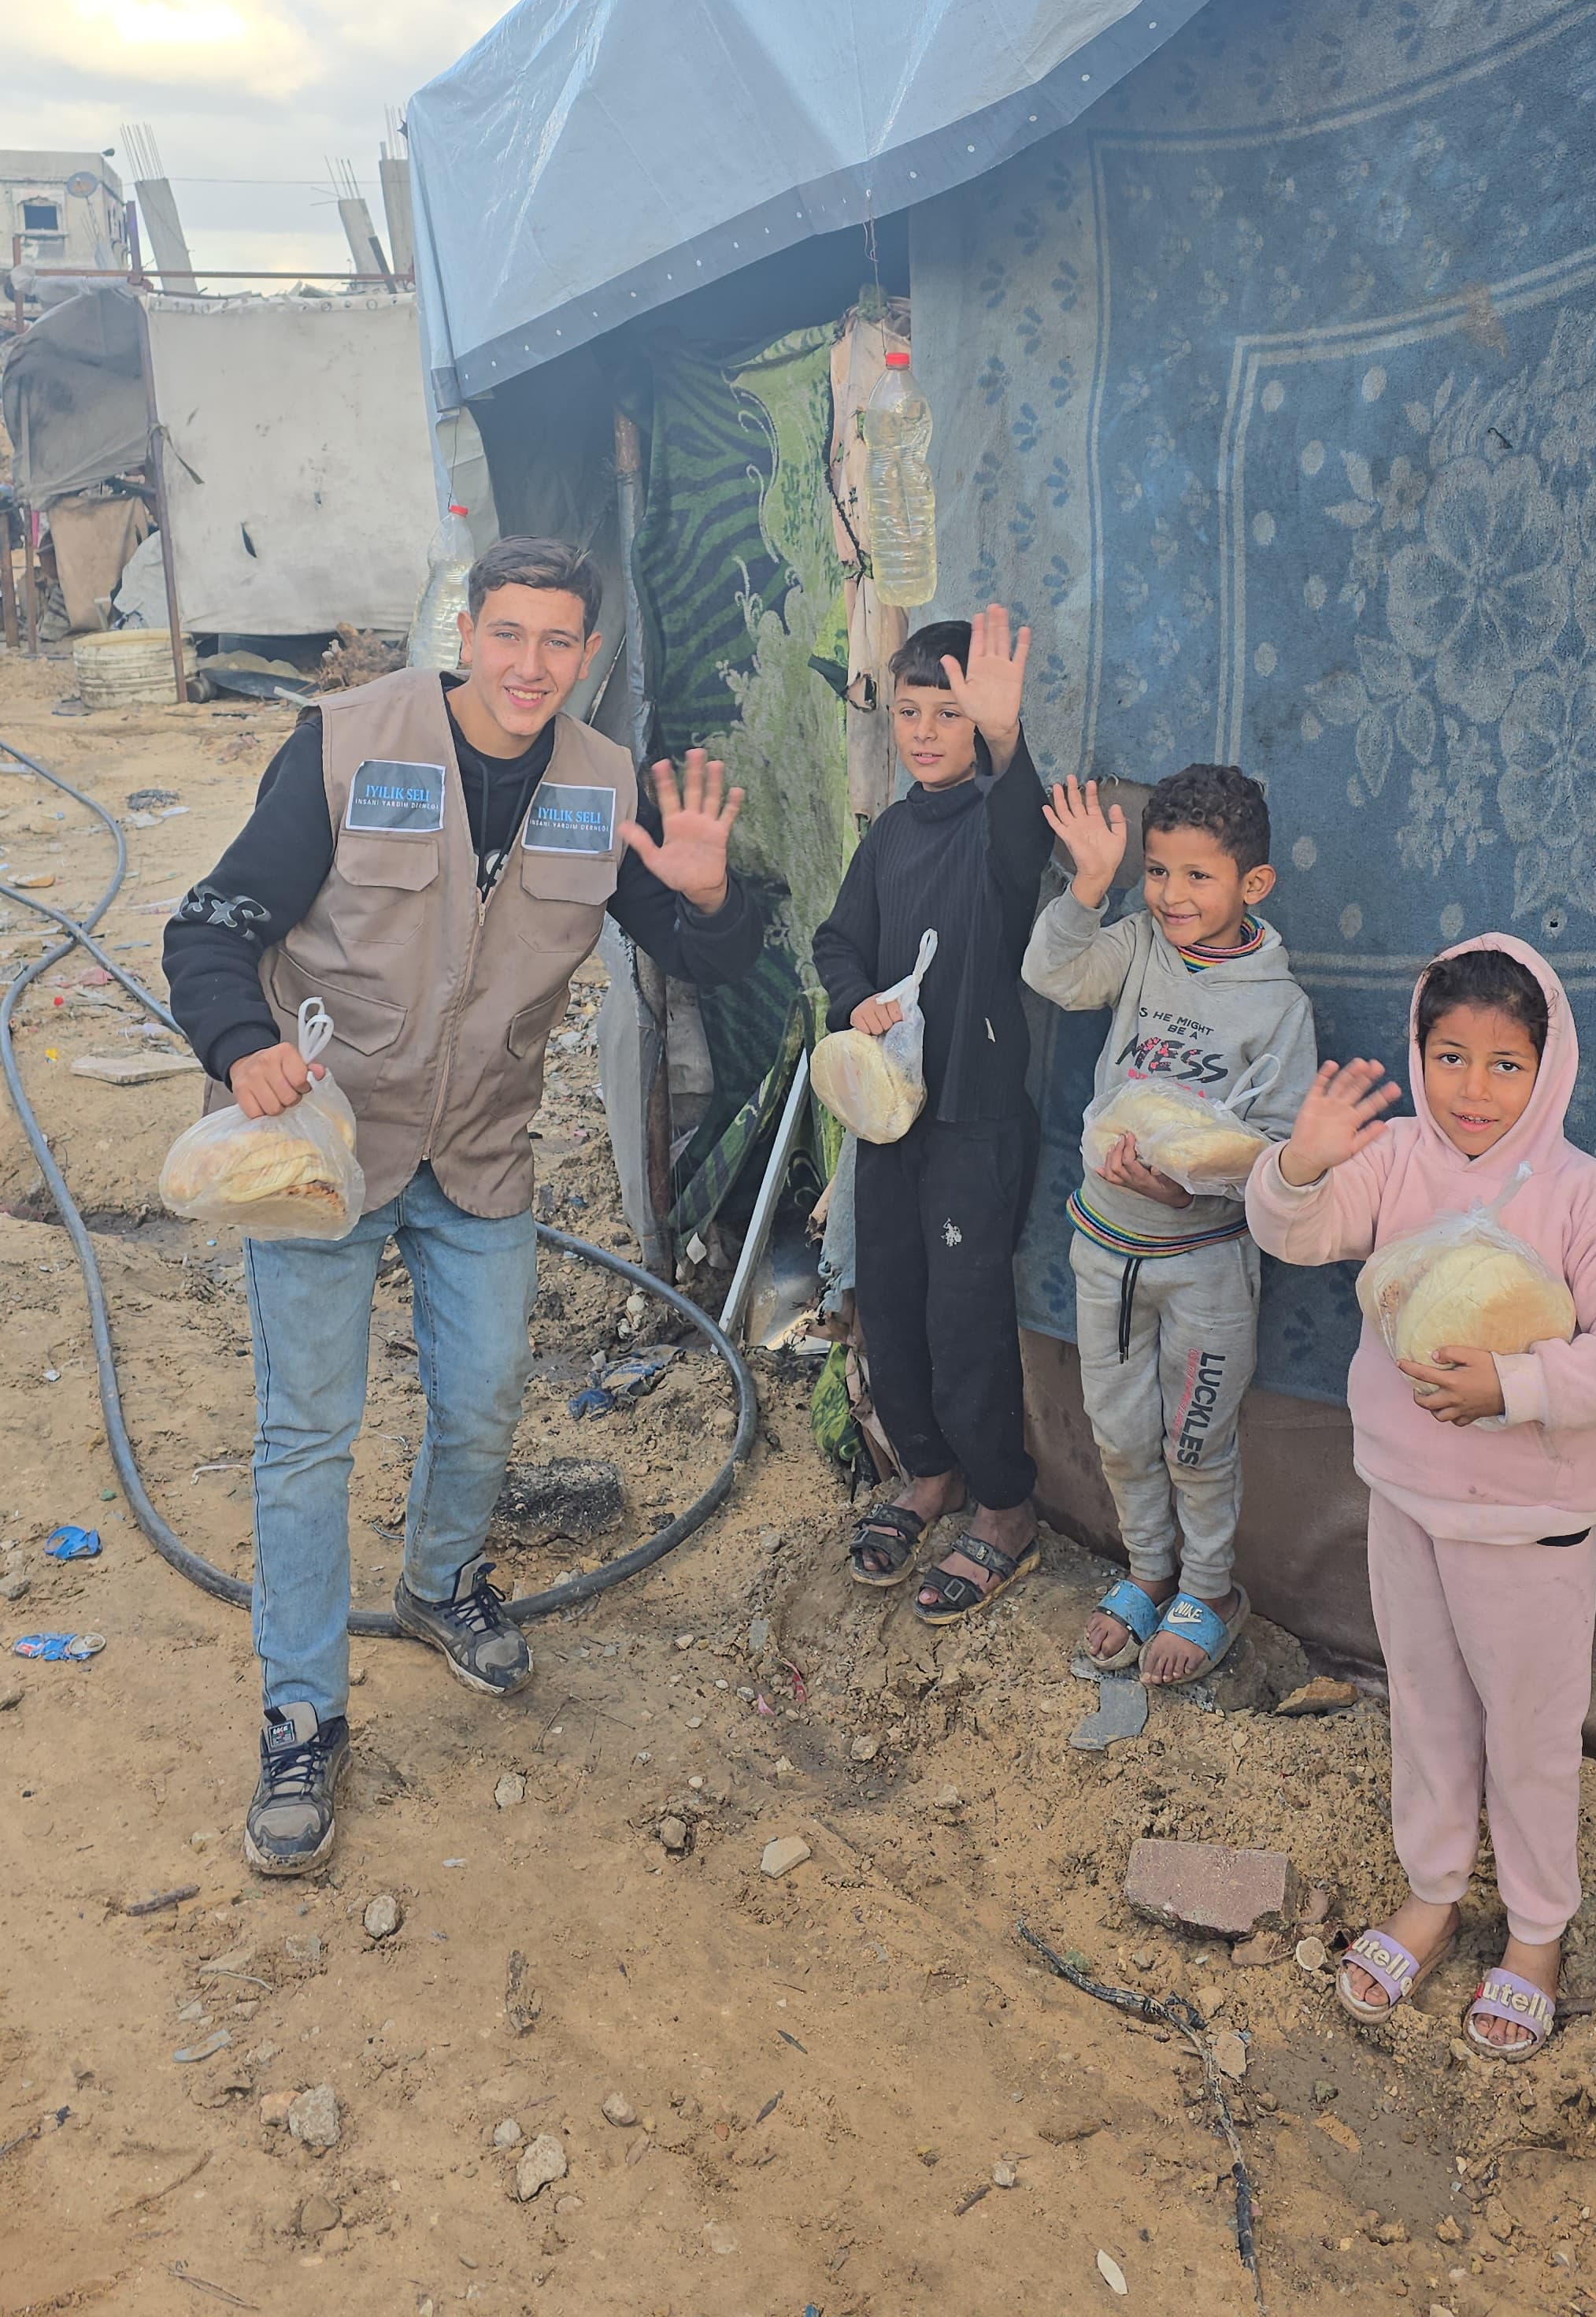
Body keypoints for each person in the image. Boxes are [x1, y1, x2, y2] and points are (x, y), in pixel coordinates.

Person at [164, 533, 765, 1877]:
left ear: (588, 655)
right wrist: (239, 1046)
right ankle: (303, 1716)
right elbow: (210, 927)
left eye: (558, 642)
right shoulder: (345, 747)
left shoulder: (604, 784)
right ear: (466, 630)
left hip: (480, 1152)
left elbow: (701, 954)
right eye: (508, 634)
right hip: (324, 1154)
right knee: (307, 1437)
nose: (529, 666)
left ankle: (439, 1583)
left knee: (486, 1398)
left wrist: (712, 894)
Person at [1245, 936, 1596, 2060]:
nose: (1473, 1089)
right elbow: (1297, 1232)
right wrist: (1298, 1167)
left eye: (1504, 1063)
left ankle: (1535, 1934)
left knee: (1530, 1734)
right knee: (1427, 1709)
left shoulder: (1587, 1201)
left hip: (1528, 1530)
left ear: (1549, 1065)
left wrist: (1518, 1384)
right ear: (1417, 1051)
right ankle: (1433, 1895)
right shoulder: (1393, 1161)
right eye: (1449, 1057)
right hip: (1406, 1504)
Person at [1024, 767, 1316, 1687]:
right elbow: (1053, 973)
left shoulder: (1277, 1008)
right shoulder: (1138, 945)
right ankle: (1147, 1569)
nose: (1170, 894)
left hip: (1204, 1263)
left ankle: (1209, 1588)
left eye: (1197, 875)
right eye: (1156, 871)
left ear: (1252, 884)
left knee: (1195, 1440)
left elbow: (1277, 1155)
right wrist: (1088, 886)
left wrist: (1185, 1189)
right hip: (1104, 1246)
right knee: (1117, 1428)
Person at [812, 605, 1050, 1624]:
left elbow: (1025, 838)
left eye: (948, 715)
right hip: (888, 1121)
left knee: (964, 1322)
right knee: (891, 1301)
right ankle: (929, 1475)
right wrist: (855, 1000)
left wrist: (1007, 738)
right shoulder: (890, 836)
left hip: (973, 1122)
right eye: (909, 712)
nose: (922, 732)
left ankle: (1003, 1505)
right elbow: (836, 943)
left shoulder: (997, 827)